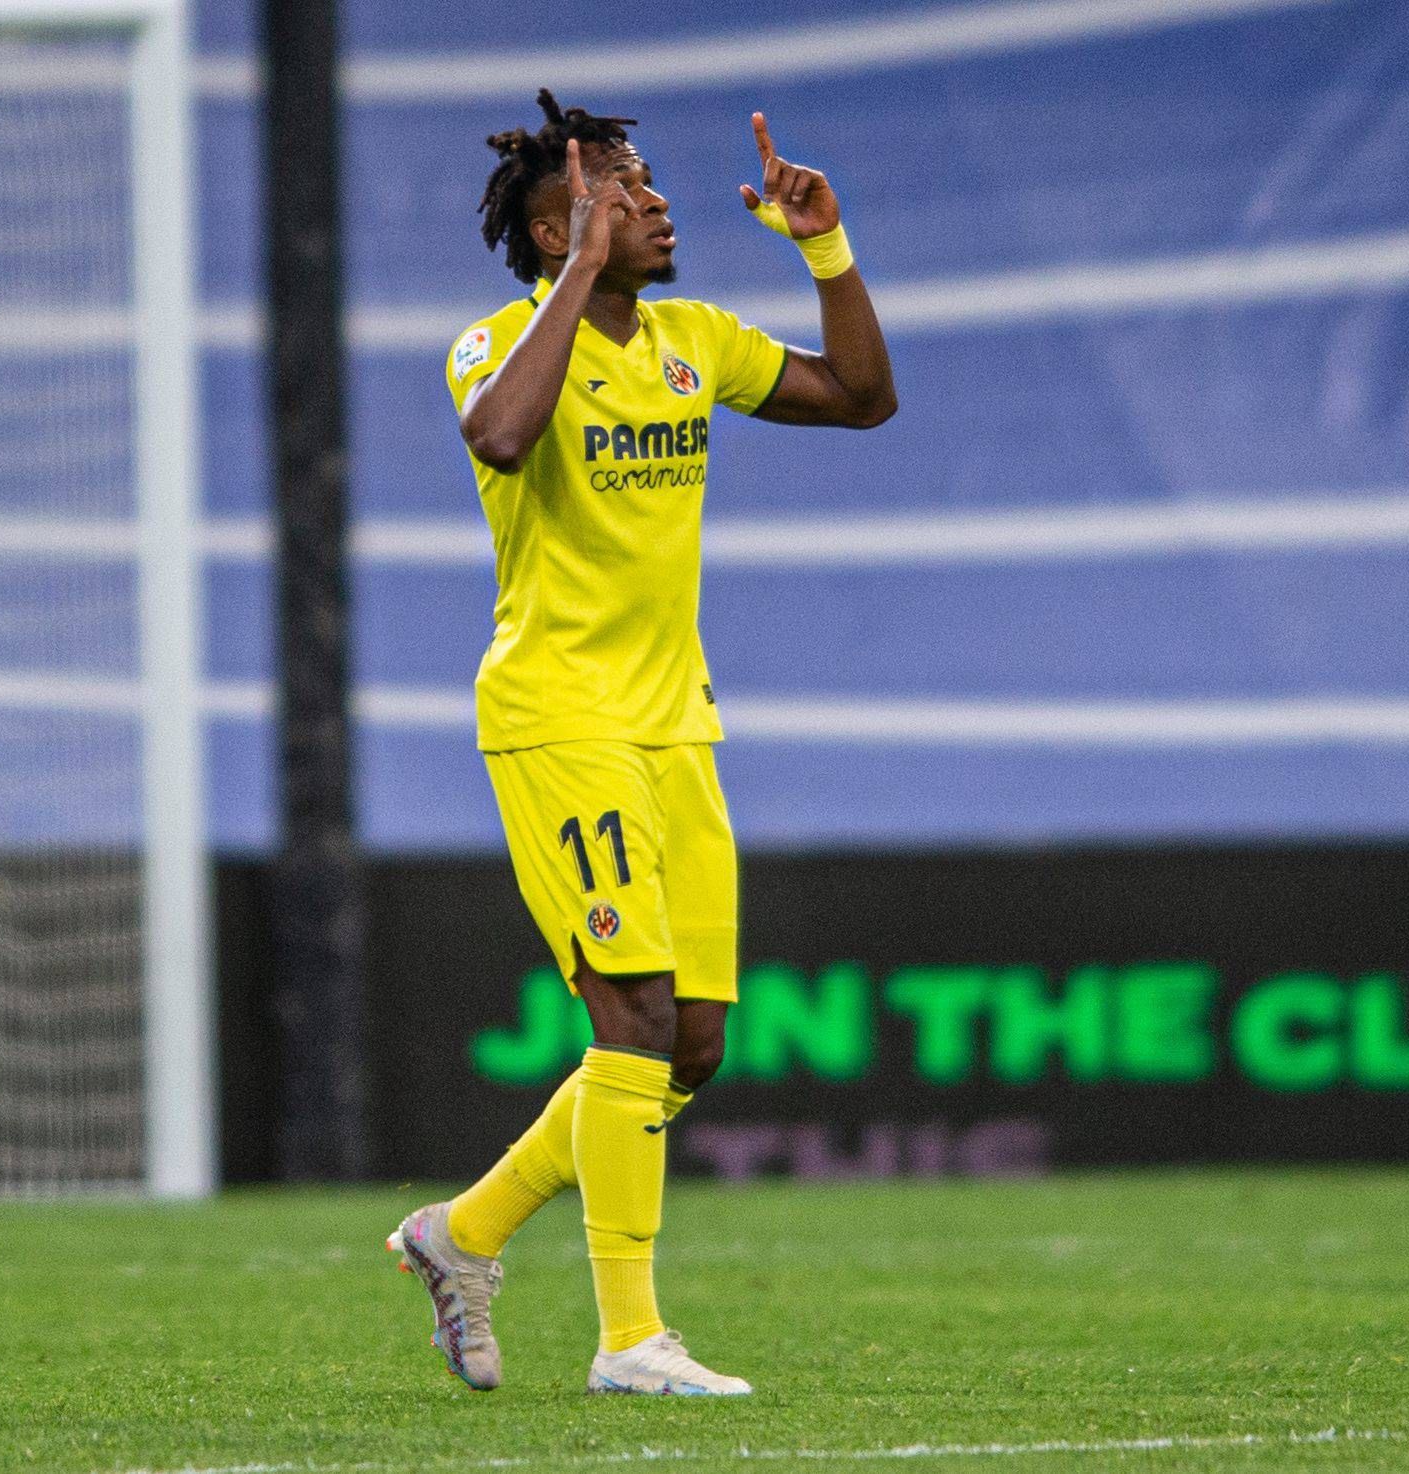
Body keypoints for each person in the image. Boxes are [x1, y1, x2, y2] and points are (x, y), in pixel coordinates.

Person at [389, 89, 896, 1397]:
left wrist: (825, 250)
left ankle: (464, 1234)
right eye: (624, 192)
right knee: (632, 1016)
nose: (659, 203)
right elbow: (502, 436)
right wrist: (580, 277)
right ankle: (629, 1339)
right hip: (559, 717)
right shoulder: (496, 345)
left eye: (652, 183)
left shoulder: (695, 341)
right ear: (558, 231)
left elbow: (862, 397)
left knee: (692, 1044)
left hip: (677, 723)